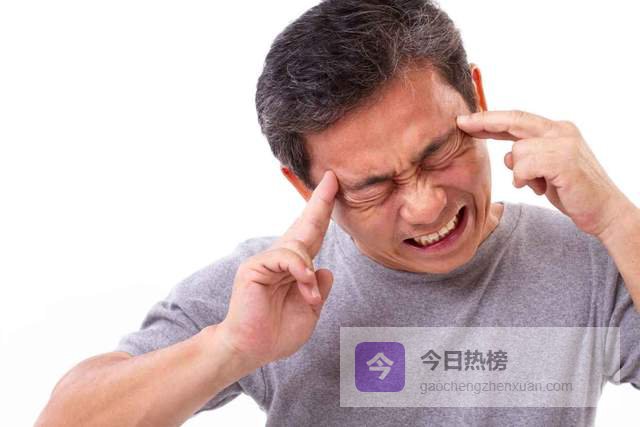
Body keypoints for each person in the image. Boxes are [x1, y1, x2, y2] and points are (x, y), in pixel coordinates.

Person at [36, 0, 639, 426]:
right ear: (304, 187)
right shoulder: (272, 289)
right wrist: (231, 348)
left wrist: (618, 219)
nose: (426, 206)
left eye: (438, 152)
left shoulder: (592, 258)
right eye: (373, 186)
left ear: (476, 99)